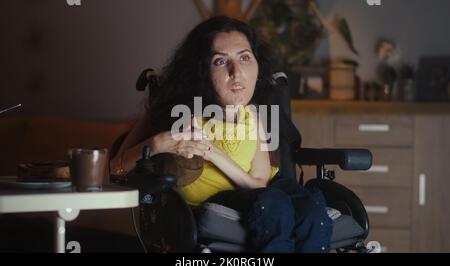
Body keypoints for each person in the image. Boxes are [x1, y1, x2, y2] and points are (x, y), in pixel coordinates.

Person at [110, 16, 332, 253]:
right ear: (201, 70)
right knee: (275, 206)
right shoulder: (171, 110)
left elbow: (259, 182)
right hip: (216, 202)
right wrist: (159, 142)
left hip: (262, 189)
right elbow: (115, 169)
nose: (236, 72)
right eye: (219, 61)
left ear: (257, 65)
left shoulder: (252, 115)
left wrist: (214, 154)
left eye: (245, 58)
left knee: (311, 210)